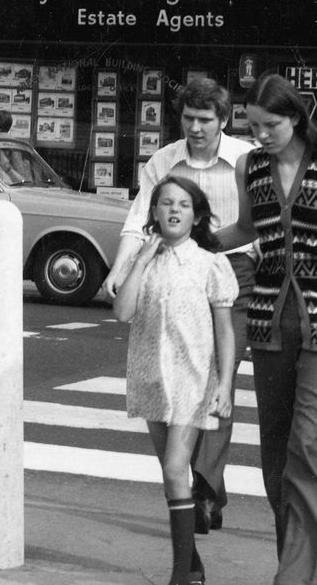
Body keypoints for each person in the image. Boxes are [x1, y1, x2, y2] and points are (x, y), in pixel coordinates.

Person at [215, 73, 317, 585]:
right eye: (254, 125)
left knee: (307, 444)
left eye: (271, 125)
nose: (261, 134)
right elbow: (247, 228)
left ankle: (296, 578)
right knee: (275, 453)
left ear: (296, 116)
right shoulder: (250, 165)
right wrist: (194, 235)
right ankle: (302, 566)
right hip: (269, 323)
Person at [102, 78, 254, 533]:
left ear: (222, 120)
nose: (196, 127)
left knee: (214, 378)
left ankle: (204, 490)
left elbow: (261, 219)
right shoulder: (163, 161)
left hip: (232, 271)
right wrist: (118, 269)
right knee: (175, 379)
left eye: (205, 119)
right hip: (171, 273)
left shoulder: (244, 160)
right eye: (189, 118)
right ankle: (196, 485)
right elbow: (137, 221)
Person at [114, 176, 237, 585]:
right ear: (153, 212)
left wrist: (224, 385)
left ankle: (180, 574)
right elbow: (122, 312)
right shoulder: (144, 262)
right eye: (165, 203)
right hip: (151, 377)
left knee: (173, 470)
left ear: (196, 214)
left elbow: (225, 330)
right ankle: (194, 564)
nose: (173, 210)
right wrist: (142, 260)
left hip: (193, 378)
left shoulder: (210, 264)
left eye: (183, 204)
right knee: (173, 478)